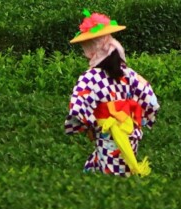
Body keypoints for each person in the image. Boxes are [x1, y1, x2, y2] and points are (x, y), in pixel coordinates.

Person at [65, 11, 159, 176]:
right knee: (119, 170)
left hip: (108, 136)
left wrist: (86, 126)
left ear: (91, 50)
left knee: (113, 178)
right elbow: (150, 100)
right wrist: (139, 119)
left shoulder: (90, 78)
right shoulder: (128, 73)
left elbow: (78, 108)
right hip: (130, 133)